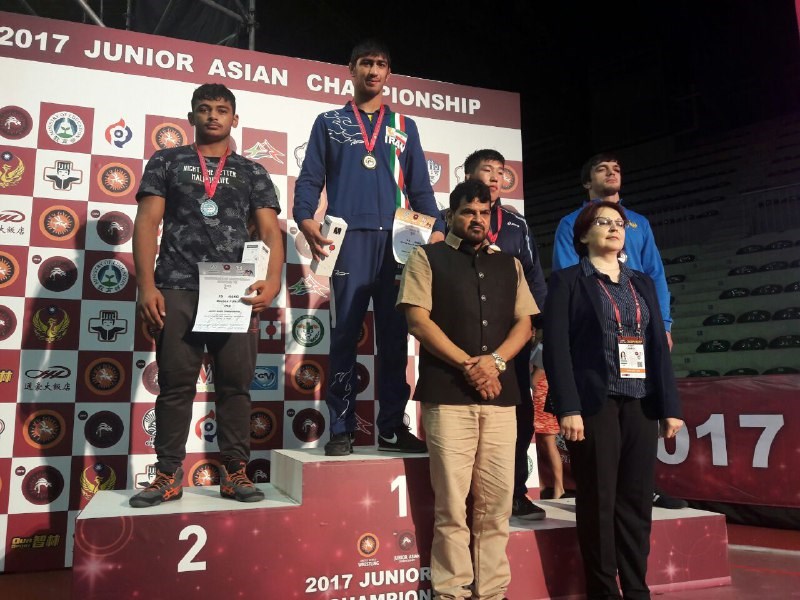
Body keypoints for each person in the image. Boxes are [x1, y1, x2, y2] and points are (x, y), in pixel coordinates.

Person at [130, 83, 284, 507]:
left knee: (235, 387)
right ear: (191, 117)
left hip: (234, 289)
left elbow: (270, 231)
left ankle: (234, 474)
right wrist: (147, 286)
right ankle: (167, 476)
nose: (213, 115)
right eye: (204, 109)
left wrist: (273, 281)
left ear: (235, 118)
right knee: (175, 386)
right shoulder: (166, 161)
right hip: (177, 286)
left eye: (221, 109)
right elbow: (147, 223)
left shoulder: (252, 171)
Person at [293, 39, 444, 456]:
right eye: (365, 63)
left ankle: (392, 428)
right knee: (344, 335)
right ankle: (340, 428)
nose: (373, 71)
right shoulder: (330, 122)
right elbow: (311, 177)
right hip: (348, 242)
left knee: (395, 339)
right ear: (351, 69)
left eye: (380, 64)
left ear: (389, 73)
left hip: (399, 244)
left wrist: (437, 229)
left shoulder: (405, 126)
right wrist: (305, 217)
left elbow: (420, 188)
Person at [397, 179, 538, 600]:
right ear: (452, 216)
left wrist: (495, 363)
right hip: (448, 399)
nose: (477, 219)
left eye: (484, 212)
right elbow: (418, 321)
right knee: (452, 508)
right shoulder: (426, 257)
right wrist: (469, 365)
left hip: (502, 399)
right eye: (468, 212)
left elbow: (525, 324)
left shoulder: (510, 264)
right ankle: (451, 593)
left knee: (496, 508)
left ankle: (492, 593)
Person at [543, 200, 684, 599]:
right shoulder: (568, 281)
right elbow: (557, 349)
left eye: (619, 223)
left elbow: (658, 348)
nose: (614, 227)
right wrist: (568, 406)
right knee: (598, 500)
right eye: (603, 222)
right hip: (594, 403)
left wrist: (670, 407)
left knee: (636, 501)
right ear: (584, 234)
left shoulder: (642, 282)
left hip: (640, 402)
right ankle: (604, 591)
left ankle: (636, 589)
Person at [552, 153, 687, 510]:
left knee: (639, 423)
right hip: (598, 329)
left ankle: (645, 488)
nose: (612, 173)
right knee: (603, 432)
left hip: (638, 326)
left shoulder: (639, 223)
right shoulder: (570, 223)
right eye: (602, 169)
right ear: (587, 182)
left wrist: (663, 325)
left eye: (617, 169)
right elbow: (570, 275)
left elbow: (656, 274)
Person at [458, 149, 548, 520]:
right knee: (463, 415)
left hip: (512, 338)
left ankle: (515, 493)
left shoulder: (516, 224)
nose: (495, 178)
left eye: (500, 172)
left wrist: (539, 323)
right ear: (468, 176)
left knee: (519, 414)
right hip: (464, 335)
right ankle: (467, 497)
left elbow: (534, 274)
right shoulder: (450, 219)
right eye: (487, 170)